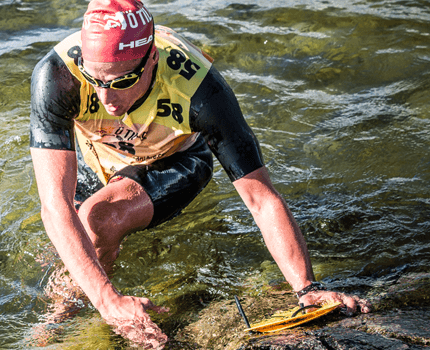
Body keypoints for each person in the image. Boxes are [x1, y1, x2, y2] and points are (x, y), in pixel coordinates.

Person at [28, 0, 372, 347]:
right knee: (63, 237)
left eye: (123, 80)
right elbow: (52, 205)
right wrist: (107, 300)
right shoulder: (58, 74)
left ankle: (67, 314)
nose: (107, 98)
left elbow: (261, 198)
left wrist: (307, 290)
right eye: (95, 79)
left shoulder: (201, 91)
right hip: (104, 155)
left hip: (176, 158)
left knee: (96, 221)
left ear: (152, 59)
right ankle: (91, 305)